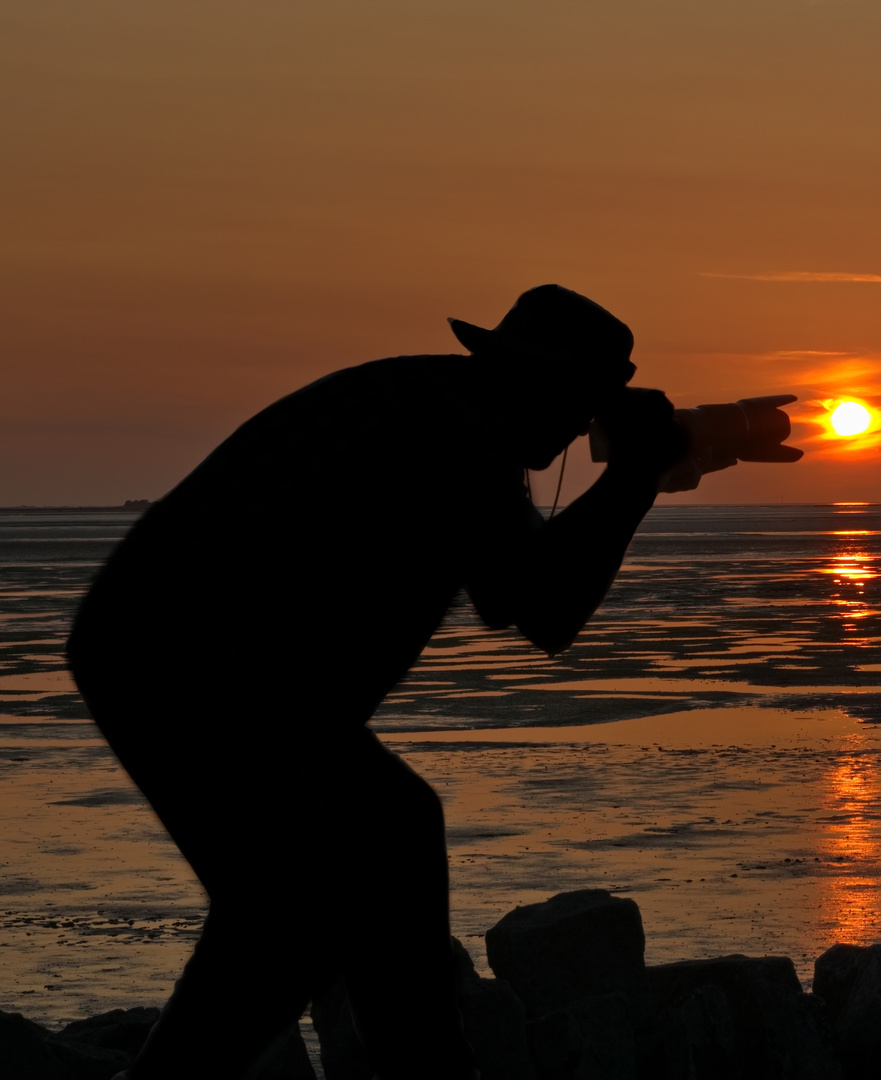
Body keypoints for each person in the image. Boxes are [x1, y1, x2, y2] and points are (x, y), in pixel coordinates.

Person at [65, 285, 688, 1080]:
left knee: (395, 828)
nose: (579, 427)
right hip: (174, 657)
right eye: (581, 404)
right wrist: (634, 477)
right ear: (540, 382)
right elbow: (542, 607)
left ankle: (423, 1067)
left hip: (254, 678)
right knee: (287, 913)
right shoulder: (455, 433)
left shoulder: (447, 410)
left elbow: (512, 590)